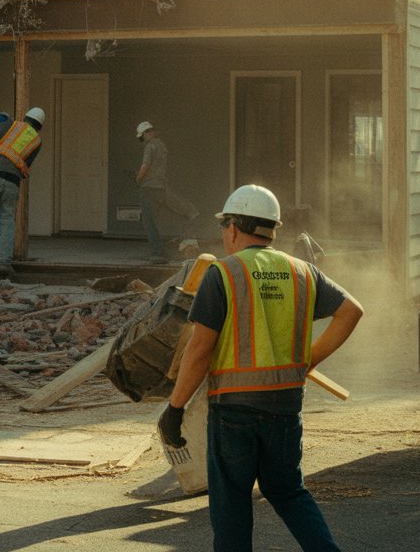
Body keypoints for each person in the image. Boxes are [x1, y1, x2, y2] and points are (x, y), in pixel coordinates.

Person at [159, 184, 363, 552]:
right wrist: (308, 360)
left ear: (234, 226)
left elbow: (199, 350)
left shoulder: (223, 274)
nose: (223, 234)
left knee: (231, 504)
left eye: (224, 226)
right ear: (272, 228)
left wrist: (174, 409)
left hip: (234, 411)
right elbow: (352, 311)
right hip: (285, 408)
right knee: (288, 492)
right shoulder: (302, 272)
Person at [0, 106, 44, 279]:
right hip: (12, 181)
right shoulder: (37, 141)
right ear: (40, 126)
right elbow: (26, 167)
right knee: (6, 220)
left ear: (25, 117)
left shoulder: (9, 125)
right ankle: (5, 262)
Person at [135, 120, 199, 263]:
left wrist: (138, 179)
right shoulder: (162, 145)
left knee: (149, 222)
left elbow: (146, 165)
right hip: (161, 187)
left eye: (142, 136)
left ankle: (158, 253)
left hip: (149, 188)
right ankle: (186, 241)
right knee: (177, 212)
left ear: (146, 133)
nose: (142, 139)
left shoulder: (150, 146)